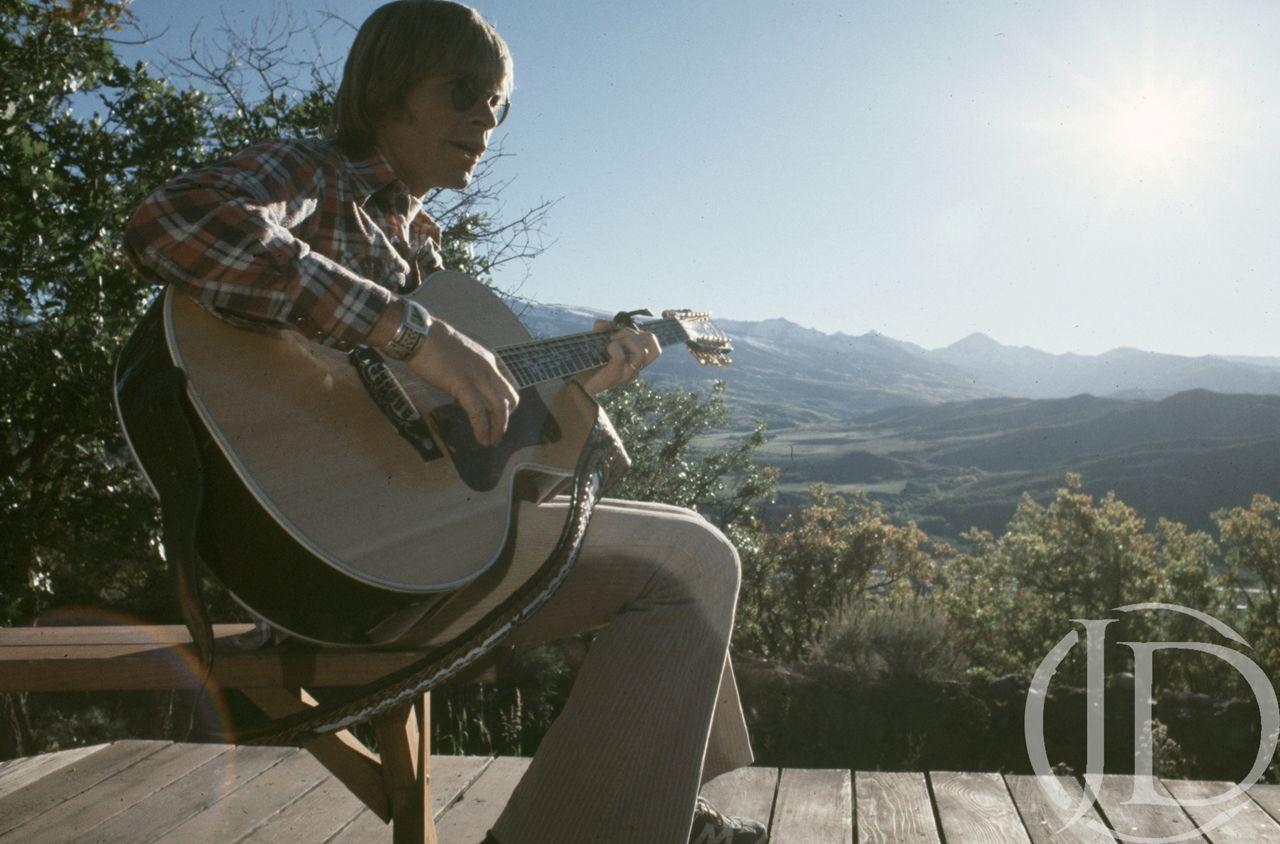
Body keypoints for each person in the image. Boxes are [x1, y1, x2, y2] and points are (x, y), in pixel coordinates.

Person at [124, 2, 765, 841]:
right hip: (333, 559)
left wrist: (589, 385)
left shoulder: (419, 252)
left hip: (408, 554)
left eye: (497, 105)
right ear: (389, 88)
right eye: (463, 90)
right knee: (692, 561)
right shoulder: (314, 175)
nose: (483, 119)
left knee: (683, 536)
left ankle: (655, 803)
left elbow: (510, 474)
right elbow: (174, 221)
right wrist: (412, 335)